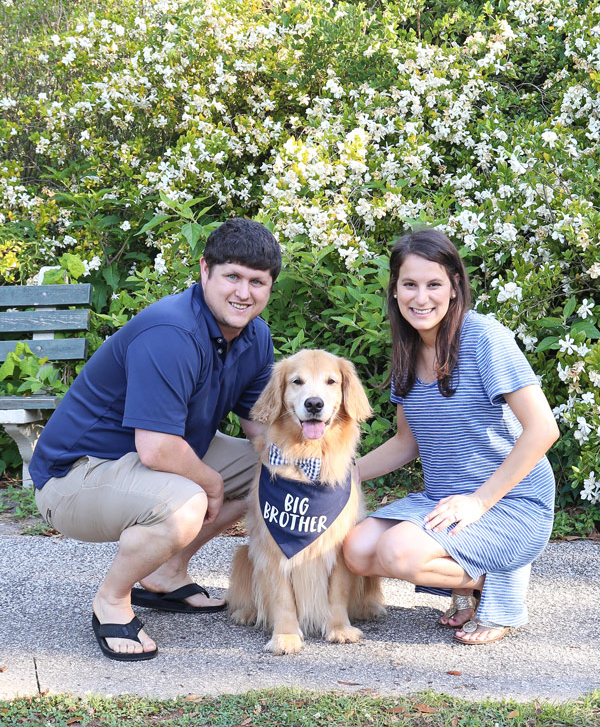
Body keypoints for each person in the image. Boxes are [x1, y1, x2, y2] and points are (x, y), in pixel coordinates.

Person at [30, 218, 281, 661]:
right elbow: (157, 447)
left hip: (151, 460)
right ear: (205, 270)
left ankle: (167, 572)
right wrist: (214, 484)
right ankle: (111, 600)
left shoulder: (255, 336)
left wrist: (304, 463)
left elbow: (257, 425)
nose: (244, 292)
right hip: (75, 476)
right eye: (233, 277)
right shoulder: (172, 333)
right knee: (188, 504)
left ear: (269, 287)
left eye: (257, 282)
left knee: (274, 470)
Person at [343, 228, 559, 645]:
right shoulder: (407, 349)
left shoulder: (484, 338)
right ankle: (472, 582)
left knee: (396, 551)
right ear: (395, 290)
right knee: (356, 550)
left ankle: (500, 584)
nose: (420, 298)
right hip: (445, 501)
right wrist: (346, 473)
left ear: (455, 287)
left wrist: (479, 502)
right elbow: (407, 442)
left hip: (511, 502)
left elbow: (543, 429)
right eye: (409, 284)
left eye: (433, 284)